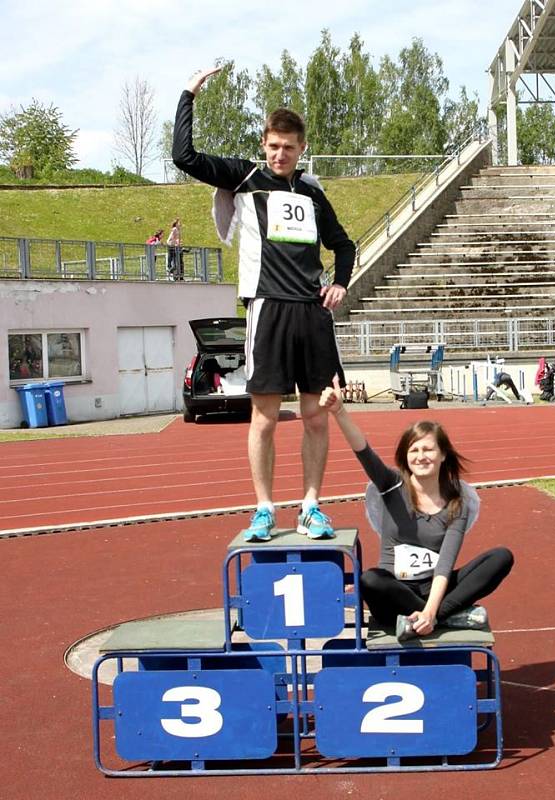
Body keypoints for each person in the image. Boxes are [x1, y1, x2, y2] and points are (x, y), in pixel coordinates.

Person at [172, 67, 356, 543]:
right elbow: (184, 155)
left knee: (316, 416)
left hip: (311, 314)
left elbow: (344, 244)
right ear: (264, 143)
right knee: (265, 417)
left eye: (289, 147)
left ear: (301, 148)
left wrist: (340, 284)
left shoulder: (312, 191)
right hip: (268, 309)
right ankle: (263, 509)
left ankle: (312, 506)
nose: (280, 154)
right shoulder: (246, 176)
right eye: (273, 145)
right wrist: (188, 94)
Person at [319, 378, 514, 641]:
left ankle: (434, 618)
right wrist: (339, 412)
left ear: (443, 455)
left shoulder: (457, 502)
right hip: (393, 594)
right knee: (370, 580)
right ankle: (449, 617)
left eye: (428, 449)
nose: (421, 456)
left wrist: (432, 610)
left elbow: (445, 564)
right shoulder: (390, 484)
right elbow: (363, 451)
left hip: (435, 590)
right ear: (405, 456)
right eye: (414, 450)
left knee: (500, 557)